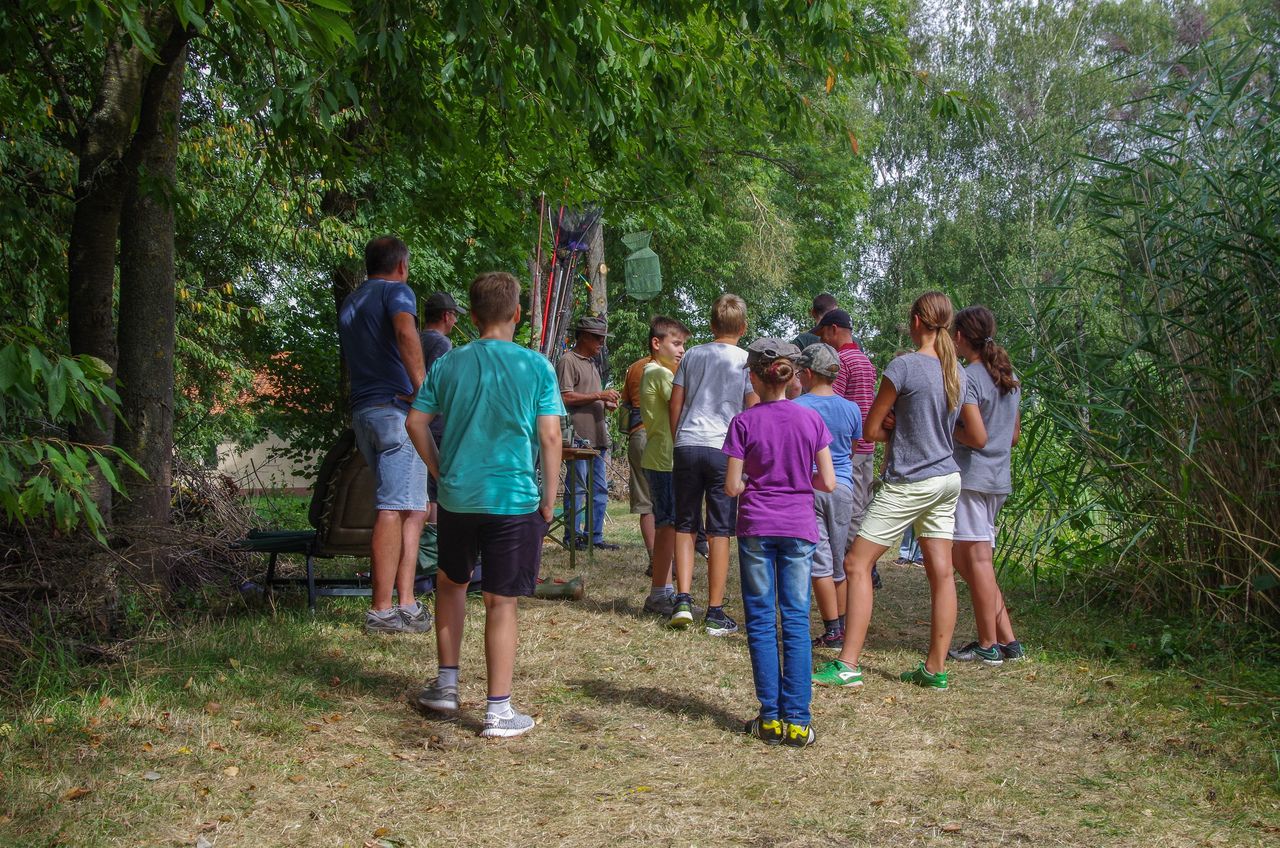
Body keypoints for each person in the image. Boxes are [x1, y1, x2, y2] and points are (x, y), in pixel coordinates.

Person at [406, 271, 564, 738]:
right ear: (517, 314)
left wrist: (440, 472)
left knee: (450, 584)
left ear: (472, 317)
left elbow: (415, 423)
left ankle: (446, 687)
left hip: (458, 497)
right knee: (501, 600)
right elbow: (550, 437)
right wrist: (549, 499)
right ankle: (498, 710)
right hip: (514, 500)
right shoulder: (536, 367)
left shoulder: (449, 363)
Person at [813, 291, 986, 691]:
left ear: (916, 322)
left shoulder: (903, 366)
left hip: (910, 480)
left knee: (857, 564)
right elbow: (963, 430)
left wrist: (895, 424)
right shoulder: (957, 372)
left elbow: (870, 429)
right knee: (941, 574)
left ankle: (848, 665)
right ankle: (934, 669)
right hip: (947, 479)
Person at [724, 339, 836, 748]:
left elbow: (731, 486)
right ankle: (799, 722)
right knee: (796, 620)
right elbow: (828, 482)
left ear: (754, 377)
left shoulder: (743, 422)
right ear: (791, 378)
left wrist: (753, 482)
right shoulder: (811, 420)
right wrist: (798, 481)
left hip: (756, 526)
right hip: (799, 527)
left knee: (760, 620)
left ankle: (770, 719)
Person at [337, 235, 431, 635]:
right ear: (401, 265)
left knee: (414, 508)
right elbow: (406, 333)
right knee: (394, 508)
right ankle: (381, 610)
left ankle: (406, 603)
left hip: (364, 412)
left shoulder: (352, 301)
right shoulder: (397, 292)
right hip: (395, 412)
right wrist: (424, 390)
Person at [668, 293, 757, 634]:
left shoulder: (692, 354)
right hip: (724, 449)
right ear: (743, 328)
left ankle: (682, 599)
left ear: (711, 324)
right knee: (720, 529)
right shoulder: (746, 360)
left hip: (688, 444)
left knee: (685, 524)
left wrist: (678, 436)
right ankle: (715, 610)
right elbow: (751, 408)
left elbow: (677, 401)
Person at [947, 305, 1025, 664]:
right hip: (997, 479)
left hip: (972, 478)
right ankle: (1007, 639)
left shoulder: (968, 377)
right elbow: (1013, 436)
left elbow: (976, 436)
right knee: (970, 560)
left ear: (960, 337)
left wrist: (949, 430)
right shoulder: (1008, 375)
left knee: (976, 560)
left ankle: (987, 644)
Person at [793, 343, 862, 649]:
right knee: (838, 559)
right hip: (843, 488)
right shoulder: (851, 409)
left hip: (810, 488)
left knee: (819, 562)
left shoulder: (797, 407)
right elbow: (852, 449)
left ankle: (832, 630)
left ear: (807, 373)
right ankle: (843, 627)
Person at [816, 308, 881, 589]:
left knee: (851, 511)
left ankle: (858, 565)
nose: (823, 340)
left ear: (833, 329)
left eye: (823, 334)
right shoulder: (865, 360)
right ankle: (866, 564)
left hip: (848, 448)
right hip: (867, 444)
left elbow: (833, 403)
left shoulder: (841, 362)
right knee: (863, 507)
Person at [638, 316, 691, 616]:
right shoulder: (658, 372)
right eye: (676, 343)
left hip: (663, 457)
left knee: (669, 524)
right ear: (656, 344)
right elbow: (684, 404)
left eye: (684, 344)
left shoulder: (660, 371)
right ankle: (659, 592)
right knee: (668, 525)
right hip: (664, 459)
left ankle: (664, 590)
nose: (682, 350)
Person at [416, 291, 467, 587]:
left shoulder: (417, 339)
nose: (456, 321)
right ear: (447, 316)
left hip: (417, 426)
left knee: (420, 495)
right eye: (455, 315)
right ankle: (430, 565)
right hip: (434, 428)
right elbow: (439, 386)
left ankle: (418, 562)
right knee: (434, 496)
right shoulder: (441, 344)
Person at [557, 316, 620, 550]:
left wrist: (605, 403)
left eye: (603, 337)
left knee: (600, 489)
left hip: (597, 436)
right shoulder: (568, 360)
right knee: (577, 488)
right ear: (583, 336)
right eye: (597, 337)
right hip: (577, 437)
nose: (601, 342)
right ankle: (572, 537)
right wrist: (599, 396)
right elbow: (564, 397)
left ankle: (594, 536)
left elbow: (590, 396)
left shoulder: (593, 363)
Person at [620, 353, 657, 563]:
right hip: (664, 437)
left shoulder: (635, 367)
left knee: (646, 502)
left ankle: (654, 559)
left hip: (638, 434)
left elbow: (625, 404)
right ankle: (669, 561)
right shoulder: (676, 366)